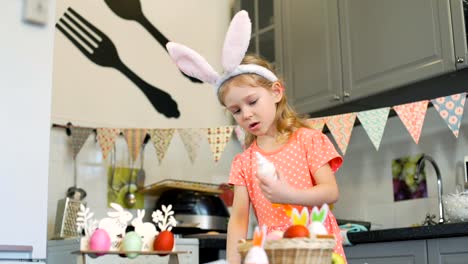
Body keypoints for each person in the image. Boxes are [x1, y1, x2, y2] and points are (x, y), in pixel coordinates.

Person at [166, 10, 346, 264]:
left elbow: (330, 192)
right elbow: (239, 218)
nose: (246, 114)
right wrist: (233, 261)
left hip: (317, 252)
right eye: (236, 110)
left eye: (252, 101)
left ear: (276, 92)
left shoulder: (309, 140)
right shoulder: (243, 162)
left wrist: (289, 195)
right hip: (271, 256)